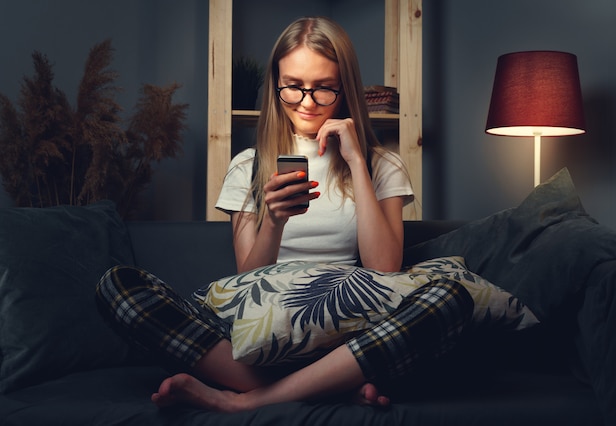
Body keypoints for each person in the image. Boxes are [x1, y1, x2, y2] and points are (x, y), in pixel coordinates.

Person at [95, 16, 473, 413]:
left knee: (451, 299)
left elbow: (384, 269)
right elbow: (247, 280)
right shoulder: (248, 165)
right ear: (276, 85)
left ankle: (249, 399)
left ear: (345, 88)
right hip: (259, 335)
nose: (307, 103)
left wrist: (357, 161)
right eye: (293, 87)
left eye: (324, 89)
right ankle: (326, 385)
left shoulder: (381, 165)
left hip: (347, 334)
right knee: (118, 286)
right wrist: (272, 221)